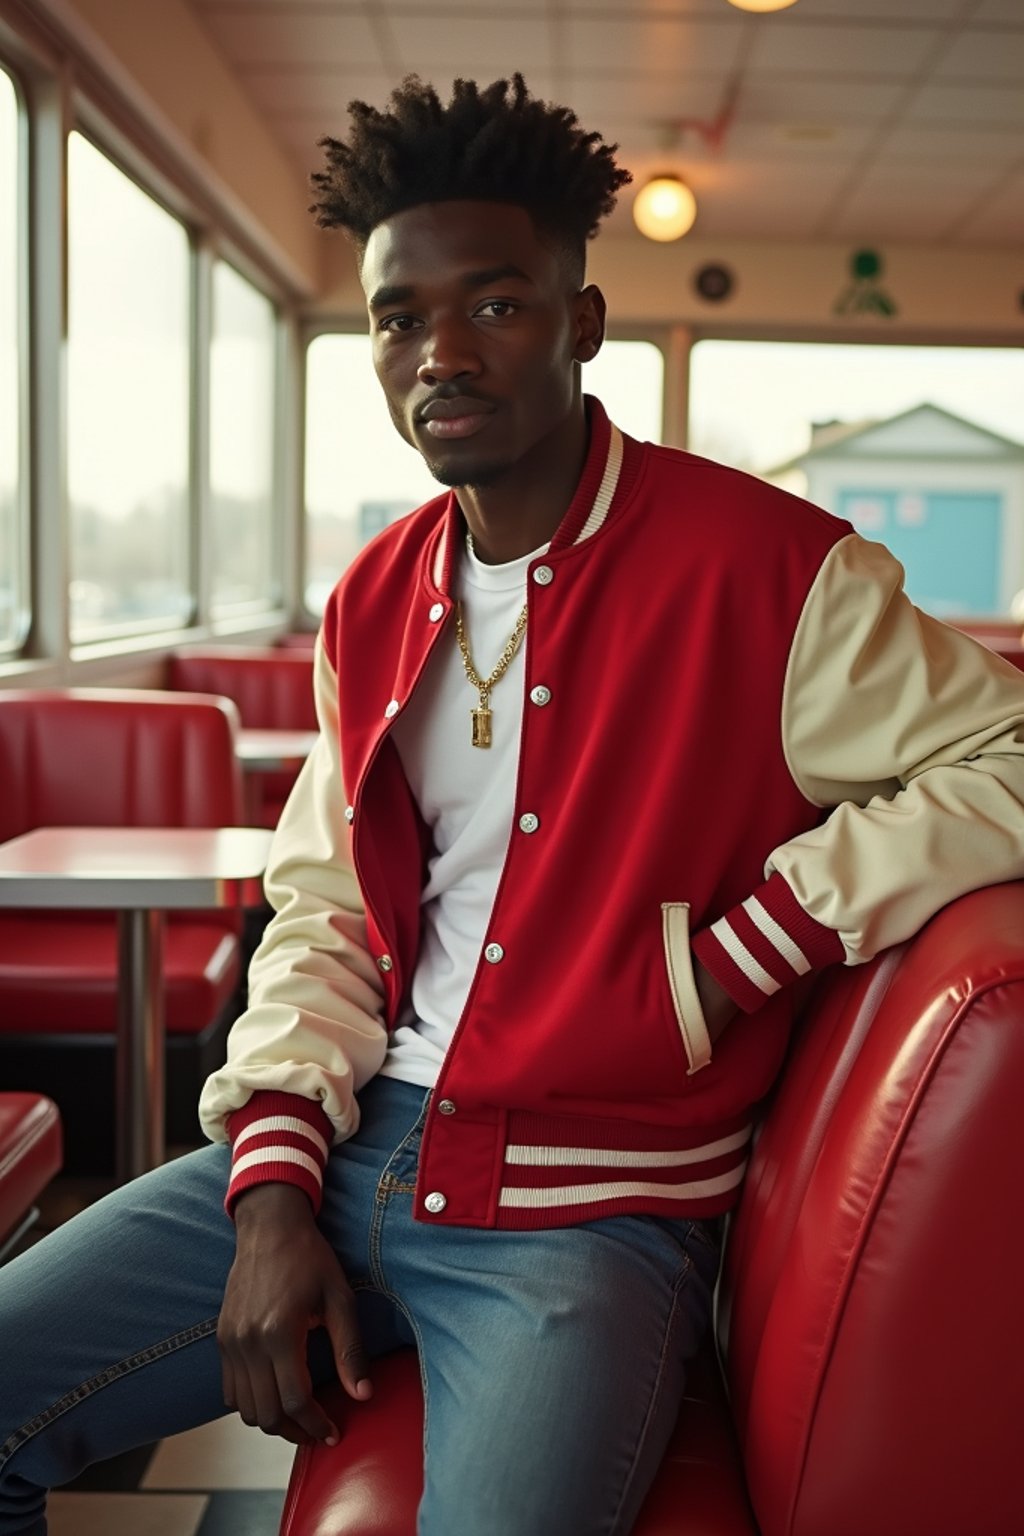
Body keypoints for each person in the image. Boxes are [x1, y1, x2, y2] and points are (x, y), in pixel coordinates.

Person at [3, 72, 1024, 1536]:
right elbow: (328, 906)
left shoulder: (775, 573)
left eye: (494, 305)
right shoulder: (374, 598)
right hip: (348, 1148)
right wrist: (276, 1184)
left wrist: (742, 948)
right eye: (399, 318)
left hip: (590, 1228)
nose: (441, 353)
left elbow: (1009, 757)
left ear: (583, 325)